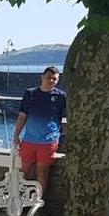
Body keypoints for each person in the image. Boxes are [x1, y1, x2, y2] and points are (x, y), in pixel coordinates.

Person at [12, 66, 67, 195]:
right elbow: (22, 116)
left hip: (48, 142)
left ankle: (38, 205)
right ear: (42, 77)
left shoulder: (61, 97)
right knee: (23, 173)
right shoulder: (30, 94)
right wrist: (16, 136)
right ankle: (19, 202)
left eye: (55, 79)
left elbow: (65, 119)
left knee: (42, 173)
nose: (51, 81)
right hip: (29, 140)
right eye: (49, 77)